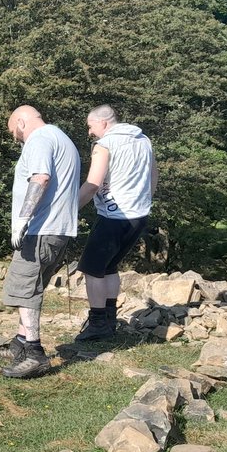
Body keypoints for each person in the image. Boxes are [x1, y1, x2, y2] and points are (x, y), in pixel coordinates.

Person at [0, 105, 80, 379]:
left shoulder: (40, 139)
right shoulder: (61, 138)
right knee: (32, 286)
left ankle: (34, 353)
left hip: (40, 229)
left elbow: (41, 178)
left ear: (21, 122)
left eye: (14, 133)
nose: (16, 139)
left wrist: (23, 219)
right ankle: (20, 343)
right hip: (56, 228)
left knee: (23, 287)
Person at [74, 105, 157, 341]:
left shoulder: (105, 145)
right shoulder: (143, 140)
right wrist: (145, 201)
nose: (89, 132)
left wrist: (68, 211)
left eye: (90, 126)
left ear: (103, 123)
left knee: (91, 269)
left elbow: (92, 185)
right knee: (109, 267)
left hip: (114, 216)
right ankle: (109, 320)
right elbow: (153, 175)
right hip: (139, 216)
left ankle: (98, 323)